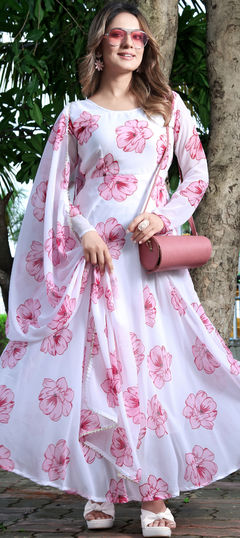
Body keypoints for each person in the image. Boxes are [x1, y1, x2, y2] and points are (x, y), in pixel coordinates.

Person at [1, 2, 240, 537]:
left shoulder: (167, 109)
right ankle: (98, 491)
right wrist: (83, 229)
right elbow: (55, 192)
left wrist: (164, 216)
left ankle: (154, 497)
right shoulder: (75, 117)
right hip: (92, 264)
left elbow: (196, 175)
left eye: (138, 36)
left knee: (151, 372)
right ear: (100, 46)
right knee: (95, 377)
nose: (130, 43)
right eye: (117, 35)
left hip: (148, 266)